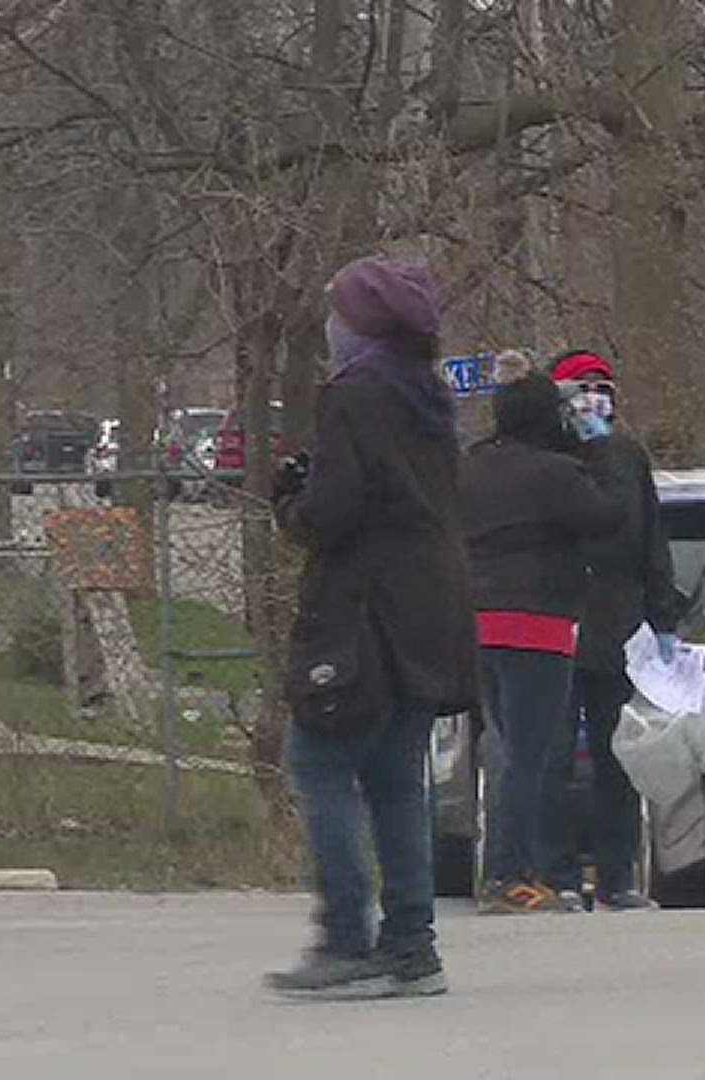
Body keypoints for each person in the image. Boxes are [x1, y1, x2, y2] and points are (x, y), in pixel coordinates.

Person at [265, 254, 477, 1001]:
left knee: (319, 762)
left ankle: (347, 936)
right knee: (395, 778)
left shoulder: (355, 395)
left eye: (338, 315)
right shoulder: (427, 395)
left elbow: (338, 511)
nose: (330, 328)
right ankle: (412, 942)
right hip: (431, 605)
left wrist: (292, 502)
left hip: (366, 611)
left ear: (359, 325)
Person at [460, 363, 622, 914]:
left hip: (477, 623)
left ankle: (507, 869)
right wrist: (595, 449)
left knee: (504, 746)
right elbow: (606, 516)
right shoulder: (555, 473)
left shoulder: (471, 468)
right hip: (539, 625)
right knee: (529, 757)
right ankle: (508, 875)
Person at [547, 348, 685, 912]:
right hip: (555, 622)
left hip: (617, 627)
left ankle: (616, 877)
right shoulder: (544, 458)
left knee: (618, 756)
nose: (592, 401)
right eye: (581, 390)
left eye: (602, 390)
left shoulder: (625, 457)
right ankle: (554, 874)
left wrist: (663, 616)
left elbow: (650, 539)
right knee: (550, 756)